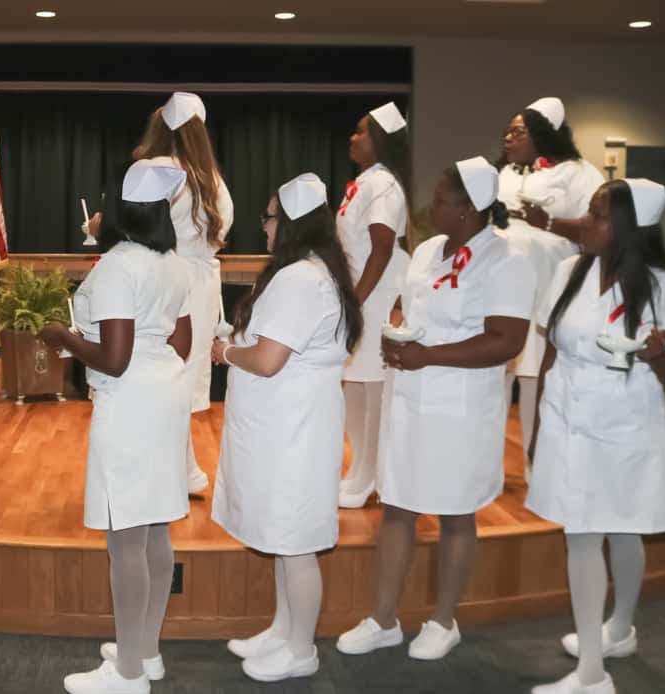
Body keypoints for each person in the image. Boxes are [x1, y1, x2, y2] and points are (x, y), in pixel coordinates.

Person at [336, 157, 534, 661]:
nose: (431, 206)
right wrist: (396, 336)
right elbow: (407, 307)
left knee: (455, 512)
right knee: (398, 506)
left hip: (462, 406)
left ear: (469, 209)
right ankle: (383, 618)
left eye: (442, 199)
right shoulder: (425, 251)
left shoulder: (506, 261)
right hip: (411, 397)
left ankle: (444, 620)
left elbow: (505, 341)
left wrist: (429, 355)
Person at [527, 179, 665, 694]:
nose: (586, 222)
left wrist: (658, 356)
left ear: (629, 228)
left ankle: (595, 668)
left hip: (626, 422)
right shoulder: (567, 272)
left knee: (616, 527)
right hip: (566, 416)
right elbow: (551, 350)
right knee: (588, 531)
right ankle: (608, 645)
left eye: (598, 216)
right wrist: (536, 427)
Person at [40, 160, 193, 694]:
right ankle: (144, 651)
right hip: (165, 395)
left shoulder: (116, 267)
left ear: (123, 211)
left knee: (125, 538)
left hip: (130, 403)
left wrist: (63, 336)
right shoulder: (174, 263)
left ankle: (128, 675)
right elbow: (183, 343)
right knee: (154, 529)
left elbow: (115, 357)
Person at [210, 173, 363, 682]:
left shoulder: (301, 278)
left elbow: (270, 358)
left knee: (295, 541)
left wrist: (225, 351)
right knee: (281, 533)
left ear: (292, 224)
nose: (265, 226)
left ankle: (301, 650)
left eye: (270, 217)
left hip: (294, 427)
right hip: (286, 423)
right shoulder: (312, 271)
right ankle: (281, 630)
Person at [496, 97, 606, 480]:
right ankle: (489, 464)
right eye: (508, 131)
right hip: (503, 288)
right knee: (497, 374)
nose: (508, 138)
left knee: (533, 375)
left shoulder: (580, 173)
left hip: (548, 288)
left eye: (518, 131)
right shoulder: (504, 173)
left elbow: (596, 226)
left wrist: (547, 222)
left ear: (544, 134)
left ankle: (534, 462)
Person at [131, 91, 234, 495]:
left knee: (158, 374)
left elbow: (136, 225)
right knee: (184, 376)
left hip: (161, 278)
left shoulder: (152, 168)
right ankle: (185, 466)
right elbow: (220, 234)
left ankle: (169, 469)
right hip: (202, 283)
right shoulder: (213, 180)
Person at [336, 101, 412, 508]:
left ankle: (373, 477)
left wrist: (356, 301)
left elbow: (381, 249)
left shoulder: (383, 185)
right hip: (360, 292)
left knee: (373, 388)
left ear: (379, 140)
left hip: (375, 293)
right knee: (355, 386)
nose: (353, 137)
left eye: (361, 131)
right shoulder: (366, 181)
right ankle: (359, 470)